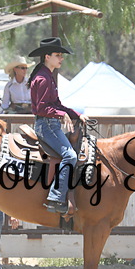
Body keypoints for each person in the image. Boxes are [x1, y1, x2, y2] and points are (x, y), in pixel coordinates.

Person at [28, 37, 87, 214]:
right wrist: (62, 115)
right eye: (58, 55)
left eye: (61, 55)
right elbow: (42, 108)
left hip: (49, 124)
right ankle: (55, 197)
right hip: (47, 126)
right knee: (70, 156)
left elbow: (57, 105)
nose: (61, 58)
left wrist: (76, 115)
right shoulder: (44, 78)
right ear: (47, 56)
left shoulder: (47, 76)